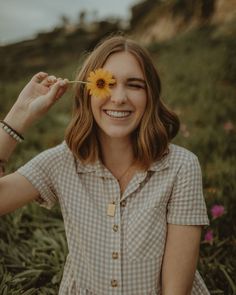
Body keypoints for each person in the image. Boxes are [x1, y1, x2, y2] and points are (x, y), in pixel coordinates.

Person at [0, 35, 210, 295]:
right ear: (88, 91)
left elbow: (175, 290)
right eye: (106, 83)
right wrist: (19, 116)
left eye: (134, 85)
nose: (119, 97)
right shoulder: (62, 162)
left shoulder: (181, 167)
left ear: (150, 96)